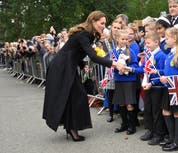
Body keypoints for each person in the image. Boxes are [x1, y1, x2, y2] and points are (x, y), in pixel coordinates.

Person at [42, 10, 123, 142]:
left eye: (105, 24)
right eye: (101, 23)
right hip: (62, 67)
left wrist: (81, 63)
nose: (103, 26)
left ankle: (71, 127)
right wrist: (114, 64)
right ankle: (72, 129)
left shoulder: (89, 35)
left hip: (67, 66)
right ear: (93, 21)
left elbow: (75, 51)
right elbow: (93, 56)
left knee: (73, 96)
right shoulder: (83, 34)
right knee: (77, 95)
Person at [134, 32, 168, 145]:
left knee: (156, 111)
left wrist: (153, 82)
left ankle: (159, 134)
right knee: (148, 109)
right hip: (148, 85)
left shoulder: (161, 55)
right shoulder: (148, 54)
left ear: (156, 42)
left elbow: (164, 73)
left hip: (157, 87)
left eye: (148, 43)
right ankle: (150, 130)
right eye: (146, 43)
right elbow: (144, 68)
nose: (146, 45)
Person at [112, 29, 138, 135]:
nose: (124, 41)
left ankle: (132, 126)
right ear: (117, 39)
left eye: (126, 39)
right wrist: (116, 69)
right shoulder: (113, 52)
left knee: (129, 104)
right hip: (119, 80)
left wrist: (127, 68)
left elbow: (135, 65)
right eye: (122, 39)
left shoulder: (130, 51)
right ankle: (124, 124)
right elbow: (111, 66)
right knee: (121, 103)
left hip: (129, 80)